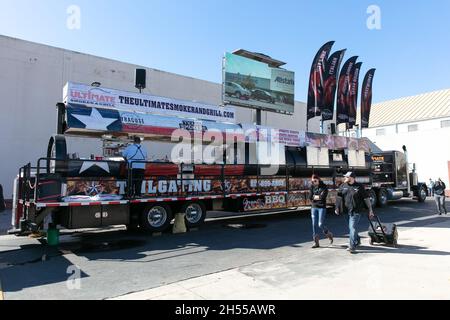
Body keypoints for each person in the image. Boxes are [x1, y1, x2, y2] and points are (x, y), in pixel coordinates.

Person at [335, 172, 375, 254]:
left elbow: (366, 198)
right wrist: (336, 207)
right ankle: (358, 239)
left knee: (352, 227)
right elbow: (339, 197)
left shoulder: (359, 186)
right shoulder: (343, 186)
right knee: (351, 228)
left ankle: (352, 246)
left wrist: (370, 209)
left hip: (356, 211)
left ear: (351, 178)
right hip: (346, 211)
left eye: (346, 177)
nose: (345, 178)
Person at [309, 174, 334, 248]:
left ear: (318, 180)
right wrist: (316, 197)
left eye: (315, 181)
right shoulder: (312, 187)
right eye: (312, 181)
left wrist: (315, 197)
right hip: (314, 207)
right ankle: (316, 242)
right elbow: (310, 197)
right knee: (314, 225)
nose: (313, 182)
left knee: (320, 224)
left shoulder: (324, 187)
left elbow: (322, 197)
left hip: (321, 207)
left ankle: (329, 234)